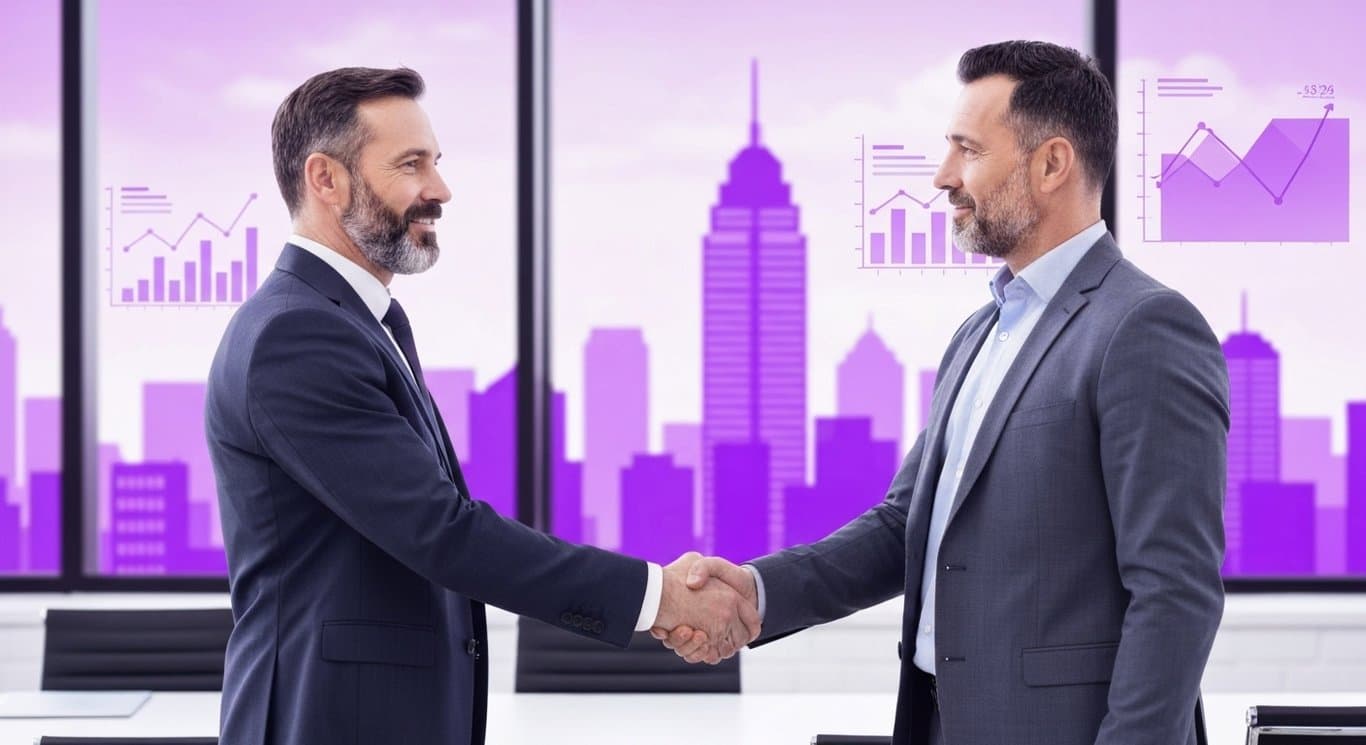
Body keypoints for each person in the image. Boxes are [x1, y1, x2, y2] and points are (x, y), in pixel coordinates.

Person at [657, 40, 1229, 745]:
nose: (942, 176)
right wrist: (756, 592)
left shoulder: (1144, 328)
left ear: (1052, 164)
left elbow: (1176, 591)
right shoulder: (978, 334)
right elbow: (907, 527)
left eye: (969, 150)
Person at [204, 66, 758, 745]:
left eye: (436, 163)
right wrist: (658, 596)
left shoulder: (352, 321)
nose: (439, 190)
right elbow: (441, 531)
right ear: (326, 179)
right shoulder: (298, 334)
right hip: (325, 719)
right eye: (411, 165)